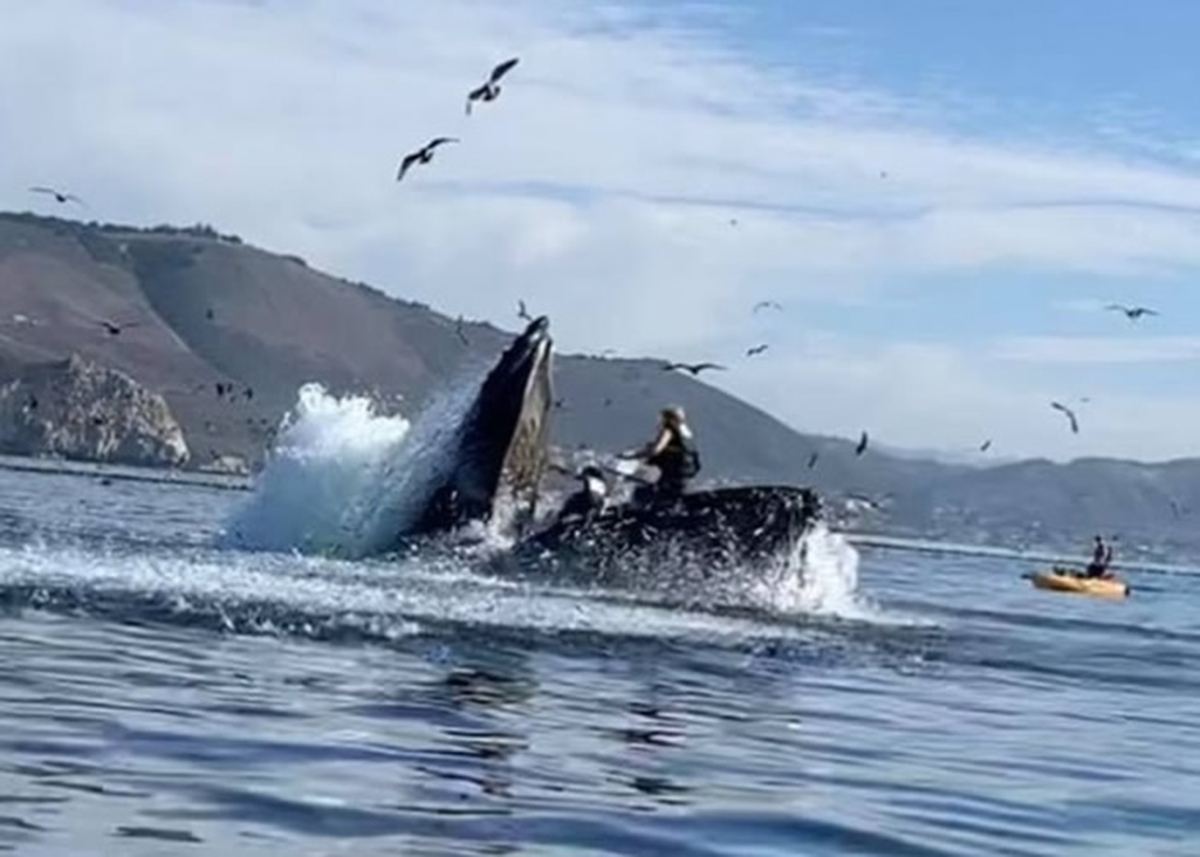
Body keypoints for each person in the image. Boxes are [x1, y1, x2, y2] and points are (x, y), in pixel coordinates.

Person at [621, 406, 701, 506]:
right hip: (686, 471)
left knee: (644, 489)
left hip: (673, 471)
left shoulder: (668, 431)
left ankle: (638, 507)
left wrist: (632, 456)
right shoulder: (686, 432)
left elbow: (656, 450)